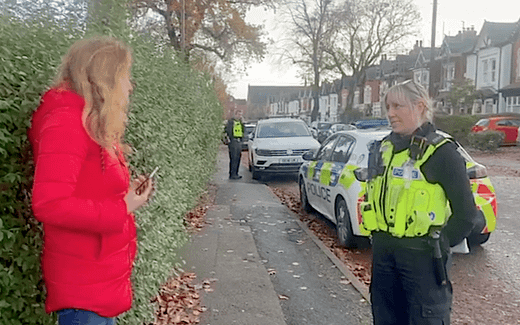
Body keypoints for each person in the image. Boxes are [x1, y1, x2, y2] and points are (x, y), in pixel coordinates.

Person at [28, 36, 154, 325]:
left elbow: (90, 186)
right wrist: (121, 208)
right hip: (83, 283)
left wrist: (130, 195)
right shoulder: (66, 122)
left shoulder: (88, 121)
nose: (130, 86)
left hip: (97, 277)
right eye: (125, 77)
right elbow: (50, 204)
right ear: (104, 78)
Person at [361, 80, 478, 325]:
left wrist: (440, 244)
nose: (390, 113)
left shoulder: (442, 153)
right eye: (387, 106)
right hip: (384, 255)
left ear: (420, 106)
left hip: (422, 260)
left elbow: (466, 214)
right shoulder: (382, 148)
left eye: (397, 106)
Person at [225, 110, 245, 179]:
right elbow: (227, 131)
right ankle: (232, 174)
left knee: (238, 158)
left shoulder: (241, 123)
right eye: (239, 114)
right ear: (235, 115)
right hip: (233, 141)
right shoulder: (231, 122)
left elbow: (243, 131)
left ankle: (236, 173)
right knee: (233, 158)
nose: (240, 116)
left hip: (239, 141)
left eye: (241, 115)